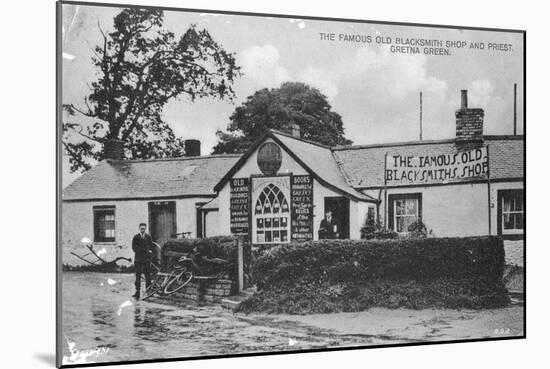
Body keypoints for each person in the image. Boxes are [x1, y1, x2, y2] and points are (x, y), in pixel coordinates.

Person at [131, 222, 153, 299]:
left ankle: (148, 290)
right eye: (141, 228)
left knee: (148, 275)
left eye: (144, 228)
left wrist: (149, 253)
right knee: (138, 275)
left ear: (145, 229)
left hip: (146, 259)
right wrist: (141, 251)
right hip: (138, 259)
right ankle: (137, 292)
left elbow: (151, 247)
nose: (143, 230)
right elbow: (134, 247)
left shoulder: (148, 237)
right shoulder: (136, 237)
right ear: (139, 229)